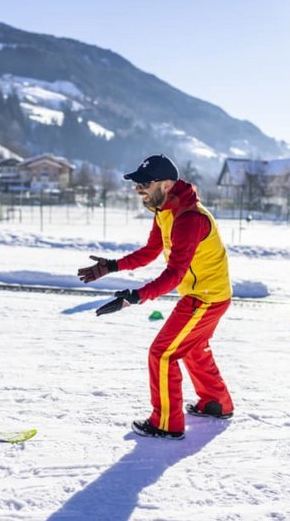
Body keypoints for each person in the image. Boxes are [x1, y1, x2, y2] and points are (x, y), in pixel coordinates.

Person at [78, 154, 234, 440]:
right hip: (207, 294)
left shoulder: (190, 218)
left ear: (166, 184)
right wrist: (111, 266)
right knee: (192, 347)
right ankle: (216, 403)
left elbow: (174, 274)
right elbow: (151, 251)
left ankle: (166, 423)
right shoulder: (165, 210)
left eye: (145, 183)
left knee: (162, 354)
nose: (138, 189)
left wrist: (135, 297)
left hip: (206, 298)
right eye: (137, 183)